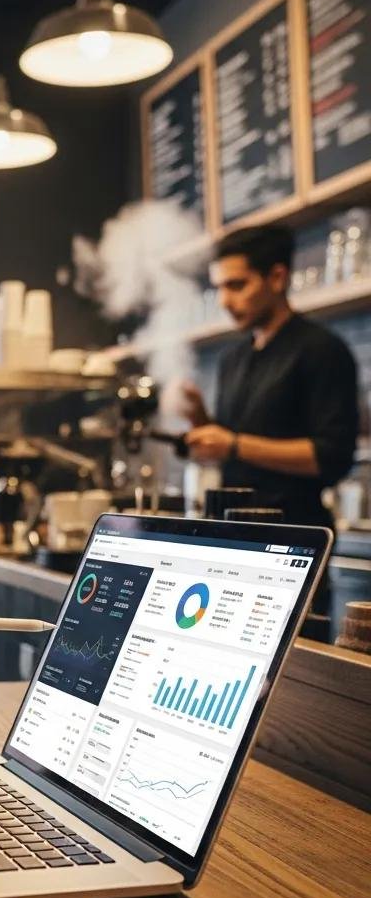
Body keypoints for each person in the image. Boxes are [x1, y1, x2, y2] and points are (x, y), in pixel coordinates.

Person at [179, 225, 359, 614]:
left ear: (277, 277)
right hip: (231, 539)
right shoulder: (233, 359)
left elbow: (331, 457)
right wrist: (199, 418)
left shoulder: (322, 350)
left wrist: (233, 444)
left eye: (237, 285)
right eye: (219, 288)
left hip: (294, 545)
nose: (225, 300)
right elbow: (232, 448)